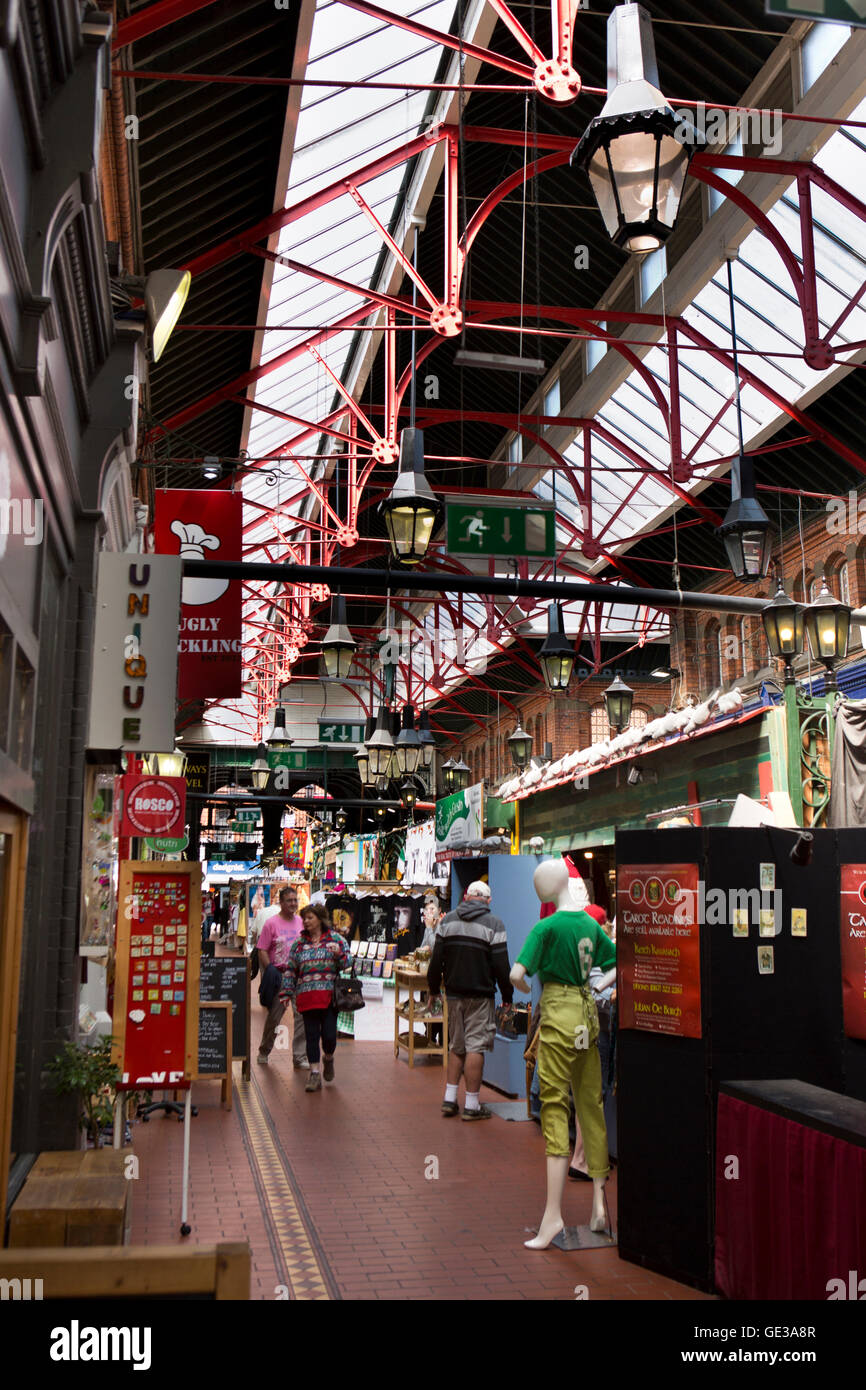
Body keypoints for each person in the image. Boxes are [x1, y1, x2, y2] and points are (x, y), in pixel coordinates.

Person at [427, 881, 513, 1121]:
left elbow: (436, 961)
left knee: (457, 1045)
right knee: (476, 1046)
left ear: (466, 897)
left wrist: (433, 988)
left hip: (453, 994)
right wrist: (507, 996)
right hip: (480, 995)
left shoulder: (448, 921)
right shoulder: (494, 924)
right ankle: (472, 1105)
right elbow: (501, 964)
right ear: (488, 900)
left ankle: (450, 1099)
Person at [568, 903, 617, 1182]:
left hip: (577, 1024)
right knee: (593, 1090)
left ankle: (581, 1157)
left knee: (585, 1088)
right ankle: (584, 1160)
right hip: (594, 1025)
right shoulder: (597, 950)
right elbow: (599, 994)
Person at [281, 904, 350, 1092]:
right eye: (304, 918)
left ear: (320, 918)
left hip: (329, 998)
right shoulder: (299, 944)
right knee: (311, 1036)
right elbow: (291, 969)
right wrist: (287, 992)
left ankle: (328, 1058)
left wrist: (338, 954)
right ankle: (314, 1074)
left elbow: (347, 963)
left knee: (329, 1036)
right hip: (306, 997)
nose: (306, 921)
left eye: (310, 918)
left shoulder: (336, 939)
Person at [257, 886, 308, 1069]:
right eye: (289, 900)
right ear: (281, 902)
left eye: (295, 900)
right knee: (275, 1017)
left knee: (301, 1016)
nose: (293, 903)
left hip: (298, 977)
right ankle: (264, 1050)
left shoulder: (301, 923)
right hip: (279, 976)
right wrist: (269, 969)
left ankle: (299, 1056)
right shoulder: (271, 923)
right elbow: (262, 949)